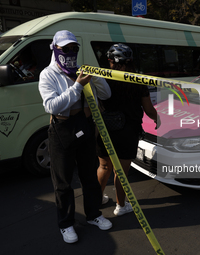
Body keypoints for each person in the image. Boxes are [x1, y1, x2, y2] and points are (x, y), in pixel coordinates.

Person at [38, 30, 112, 244]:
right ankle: (66, 223)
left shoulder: (82, 70)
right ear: (55, 49)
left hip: (85, 126)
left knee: (89, 174)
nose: (70, 52)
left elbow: (106, 94)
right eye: (65, 48)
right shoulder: (48, 74)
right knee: (63, 181)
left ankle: (93, 214)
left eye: (74, 48)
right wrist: (78, 85)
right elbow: (51, 105)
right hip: (62, 129)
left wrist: (95, 77)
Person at [96, 43, 160, 216]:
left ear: (110, 60)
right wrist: (157, 118)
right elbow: (148, 110)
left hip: (104, 128)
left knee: (103, 166)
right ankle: (121, 205)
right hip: (127, 131)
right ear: (130, 61)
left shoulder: (101, 78)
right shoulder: (138, 81)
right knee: (121, 171)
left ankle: (98, 198)